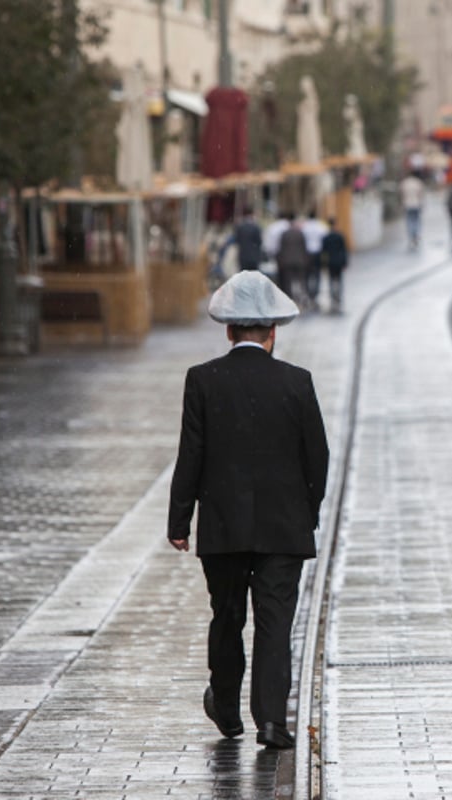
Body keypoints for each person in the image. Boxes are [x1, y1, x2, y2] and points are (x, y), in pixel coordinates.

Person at [168, 270, 329, 750]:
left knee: (228, 615)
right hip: (284, 528)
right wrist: (307, 510)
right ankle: (273, 721)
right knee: (276, 621)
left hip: (222, 527)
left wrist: (180, 521)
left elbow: (190, 454)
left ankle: (227, 705)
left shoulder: (203, 381)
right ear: (273, 333)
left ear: (229, 330)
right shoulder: (297, 382)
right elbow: (316, 458)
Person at [275, 215, 310, 308]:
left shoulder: (284, 234)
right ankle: (302, 299)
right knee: (301, 281)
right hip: (299, 261)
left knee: (288, 282)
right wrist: (306, 260)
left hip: (287, 261)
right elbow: (304, 248)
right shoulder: (300, 233)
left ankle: (290, 299)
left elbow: (281, 248)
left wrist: (280, 260)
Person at [320, 217, 349, 313]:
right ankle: (338, 300)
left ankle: (333, 301)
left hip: (330, 263)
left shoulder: (326, 237)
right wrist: (345, 262)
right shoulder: (340, 236)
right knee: (339, 281)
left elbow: (323, 252)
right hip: (339, 262)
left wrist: (323, 264)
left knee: (331, 281)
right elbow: (344, 250)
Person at [301, 211, 328, 307]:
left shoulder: (305, 227)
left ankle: (308, 293)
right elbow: (325, 237)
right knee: (317, 275)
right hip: (317, 253)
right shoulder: (320, 226)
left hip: (307, 253)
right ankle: (315, 295)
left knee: (307, 275)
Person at [400, 170, 426, 251]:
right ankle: (415, 235)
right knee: (416, 220)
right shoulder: (418, 182)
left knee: (409, 221)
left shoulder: (405, 182)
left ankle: (411, 236)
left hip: (407, 204)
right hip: (416, 204)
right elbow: (420, 194)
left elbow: (402, 193)